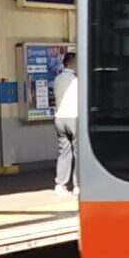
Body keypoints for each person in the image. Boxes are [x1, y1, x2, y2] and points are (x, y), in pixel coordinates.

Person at [53, 51, 79, 196]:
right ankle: (77, 185)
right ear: (71, 63)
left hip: (59, 119)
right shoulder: (75, 80)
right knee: (78, 152)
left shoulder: (58, 79)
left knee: (64, 152)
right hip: (73, 118)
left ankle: (60, 185)